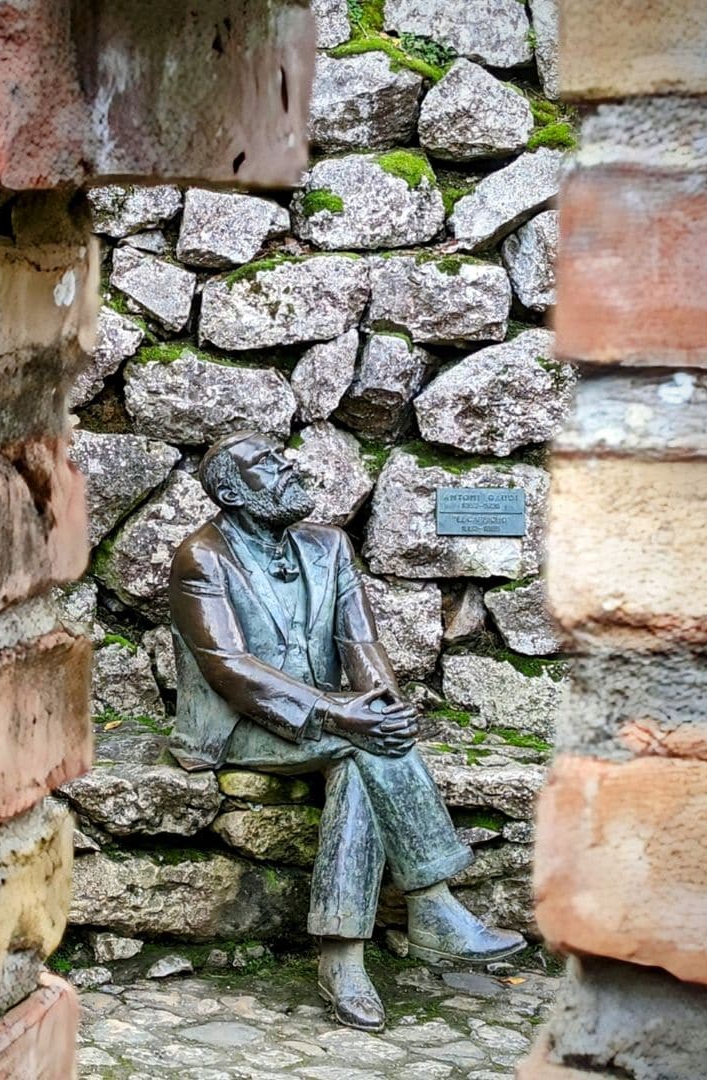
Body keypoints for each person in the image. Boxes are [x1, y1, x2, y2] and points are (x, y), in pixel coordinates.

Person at [168, 430, 523, 1031]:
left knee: (365, 755)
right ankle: (430, 909)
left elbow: (360, 642)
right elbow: (229, 666)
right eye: (268, 463)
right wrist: (340, 715)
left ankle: (345, 957)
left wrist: (384, 702)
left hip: (334, 722)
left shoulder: (329, 546)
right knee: (362, 745)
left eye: (284, 455)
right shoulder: (201, 555)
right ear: (230, 489)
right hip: (240, 725)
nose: (289, 465)